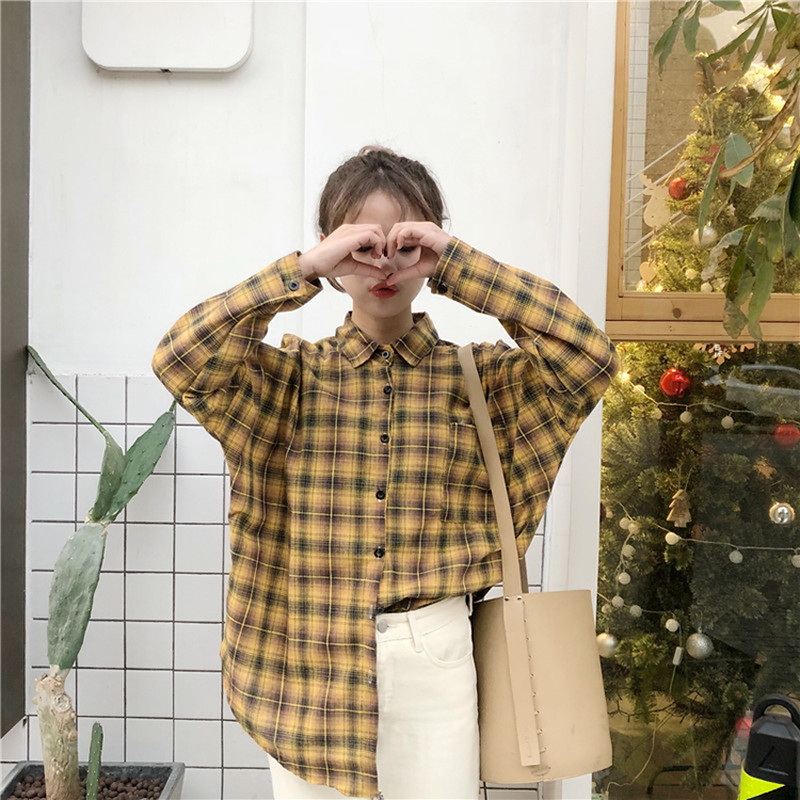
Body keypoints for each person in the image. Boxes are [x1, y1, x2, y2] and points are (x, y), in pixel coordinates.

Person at [152, 145, 618, 800]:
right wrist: (302, 270)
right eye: (362, 243)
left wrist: (458, 264)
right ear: (332, 245)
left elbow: (589, 357)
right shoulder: (288, 381)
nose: (385, 265)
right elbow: (179, 358)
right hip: (305, 665)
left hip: (435, 655)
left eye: (406, 243)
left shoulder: (482, 380)